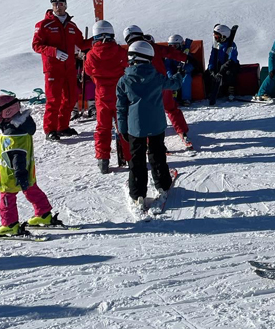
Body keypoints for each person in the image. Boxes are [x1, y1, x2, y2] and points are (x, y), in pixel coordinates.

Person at [116, 41, 182, 218]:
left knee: (136, 160)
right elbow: (174, 84)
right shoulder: (156, 76)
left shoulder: (124, 80)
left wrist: (122, 127)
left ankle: (137, 192)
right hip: (156, 125)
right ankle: (162, 183)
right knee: (157, 154)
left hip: (134, 127)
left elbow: (121, 107)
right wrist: (179, 75)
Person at [0, 95, 56, 236]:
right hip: (26, 171)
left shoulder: (13, 134)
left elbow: (17, 155)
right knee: (31, 190)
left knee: (7, 199)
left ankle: (10, 225)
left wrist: (20, 173)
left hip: (12, 174)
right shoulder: (19, 127)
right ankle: (44, 214)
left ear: (8, 111)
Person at [123, 26, 195, 149]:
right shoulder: (151, 46)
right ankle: (182, 132)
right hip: (162, 83)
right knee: (171, 108)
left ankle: (149, 140)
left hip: (143, 89)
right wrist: (186, 58)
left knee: (145, 113)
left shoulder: (130, 51)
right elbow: (169, 52)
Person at [32, 0, 91, 140]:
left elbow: (81, 44)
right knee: (54, 100)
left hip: (69, 68)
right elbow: (36, 45)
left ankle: (62, 126)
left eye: (60, 3)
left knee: (70, 99)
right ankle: (50, 129)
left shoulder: (71, 26)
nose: (58, 6)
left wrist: (95, 39)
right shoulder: (44, 25)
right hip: (53, 68)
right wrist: (54, 52)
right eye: (55, 4)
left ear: (66, 5)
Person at [84, 20, 131, 174]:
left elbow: (88, 72)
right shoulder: (120, 51)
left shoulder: (91, 55)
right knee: (124, 127)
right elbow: (127, 67)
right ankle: (130, 158)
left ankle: (103, 159)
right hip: (120, 95)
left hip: (102, 96)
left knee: (103, 128)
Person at [205, 24, 240, 106]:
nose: (216, 39)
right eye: (215, 37)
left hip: (230, 65)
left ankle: (231, 91)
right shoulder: (216, 45)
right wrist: (211, 69)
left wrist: (221, 71)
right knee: (207, 74)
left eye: (217, 37)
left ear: (224, 36)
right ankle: (211, 91)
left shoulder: (231, 45)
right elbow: (212, 57)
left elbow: (232, 59)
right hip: (220, 64)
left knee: (229, 73)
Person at [165, 34, 197, 106]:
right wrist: (170, 74)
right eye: (171, 46)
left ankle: (186, 99)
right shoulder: (169, 54)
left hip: (184, 72)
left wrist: (185, 70)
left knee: (186, 78)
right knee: (168, 79)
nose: (173, 48)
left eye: (175, 46)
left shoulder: (186, 53)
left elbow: (193, 64)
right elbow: (167, 66)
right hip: (174, 72)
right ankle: (172, 99)